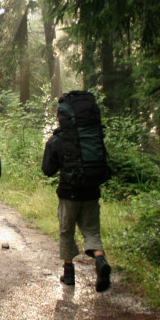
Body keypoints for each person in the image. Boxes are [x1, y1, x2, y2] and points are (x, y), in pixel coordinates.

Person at [41, 119, 112, 293]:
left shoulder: (58, 139)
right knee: (91, 230)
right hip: (91, 192)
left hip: (69, 193)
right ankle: (100, 260)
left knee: (67, 231)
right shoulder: (92, 136)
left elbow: (47, 169)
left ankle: (69, 274)